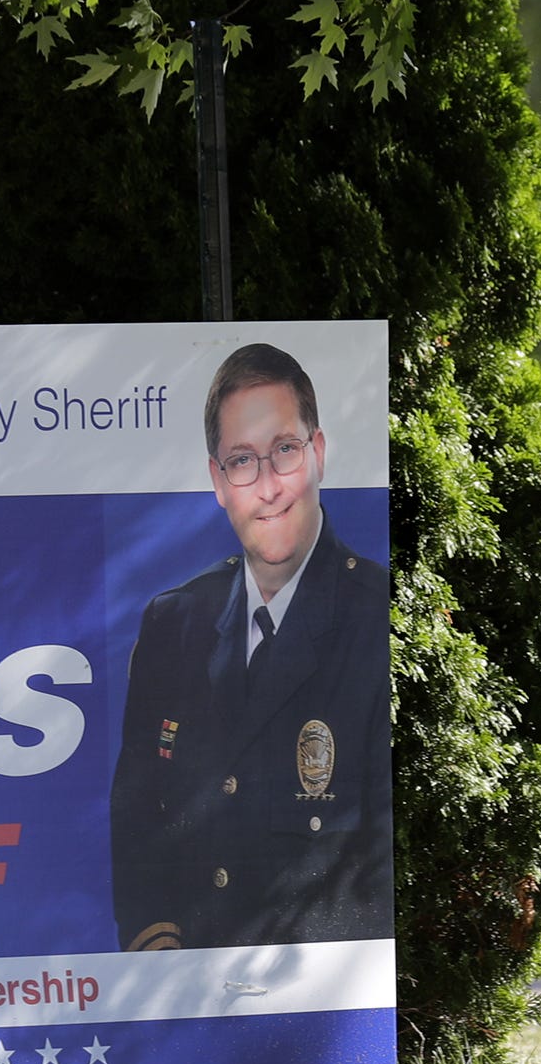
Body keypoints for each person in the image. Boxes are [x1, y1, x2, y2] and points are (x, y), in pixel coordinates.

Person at [108, 343, 393, 950]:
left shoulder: (377, 615)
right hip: (189, 982)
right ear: (217, 481)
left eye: (284, 451)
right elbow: (137, 817)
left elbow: (376, 857)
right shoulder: (174, 623)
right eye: (242, 461)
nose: (267, 487)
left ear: (317, 454)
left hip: (314, 994)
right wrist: (158, 949)